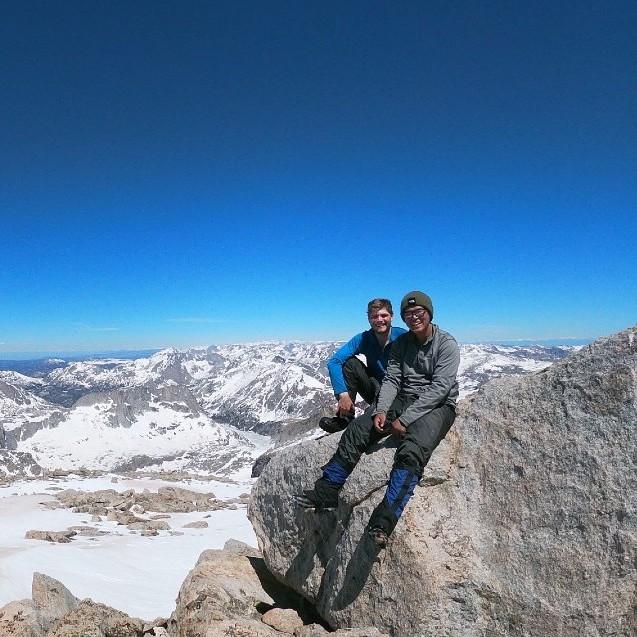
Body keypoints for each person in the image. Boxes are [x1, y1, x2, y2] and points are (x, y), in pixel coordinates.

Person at [298, 290, 460, 549]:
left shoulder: (446, 344)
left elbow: (440, 388)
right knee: (358, 431)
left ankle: (383, 521)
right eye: (410, 314)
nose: (415, 317)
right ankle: (327, 490)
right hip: (404, 397)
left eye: (419, 312)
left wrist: (405, 419)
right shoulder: (403, 343)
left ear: (430, 314)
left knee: (411, 451)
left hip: (438, 406)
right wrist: (381, 410)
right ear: (404, 318)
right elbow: (393, 379)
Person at [320, 298, 407, 433]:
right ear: (368, 319)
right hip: (376, 387)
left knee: (371, 423)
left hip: (400, 390)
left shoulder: (403, 337)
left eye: (384, 315)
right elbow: (334, 362)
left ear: (392, 317)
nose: (379, 320)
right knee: (350, 364)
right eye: (374, 316)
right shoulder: (363, 339)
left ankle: (382, 412)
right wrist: (343, 395)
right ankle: (345, 418)